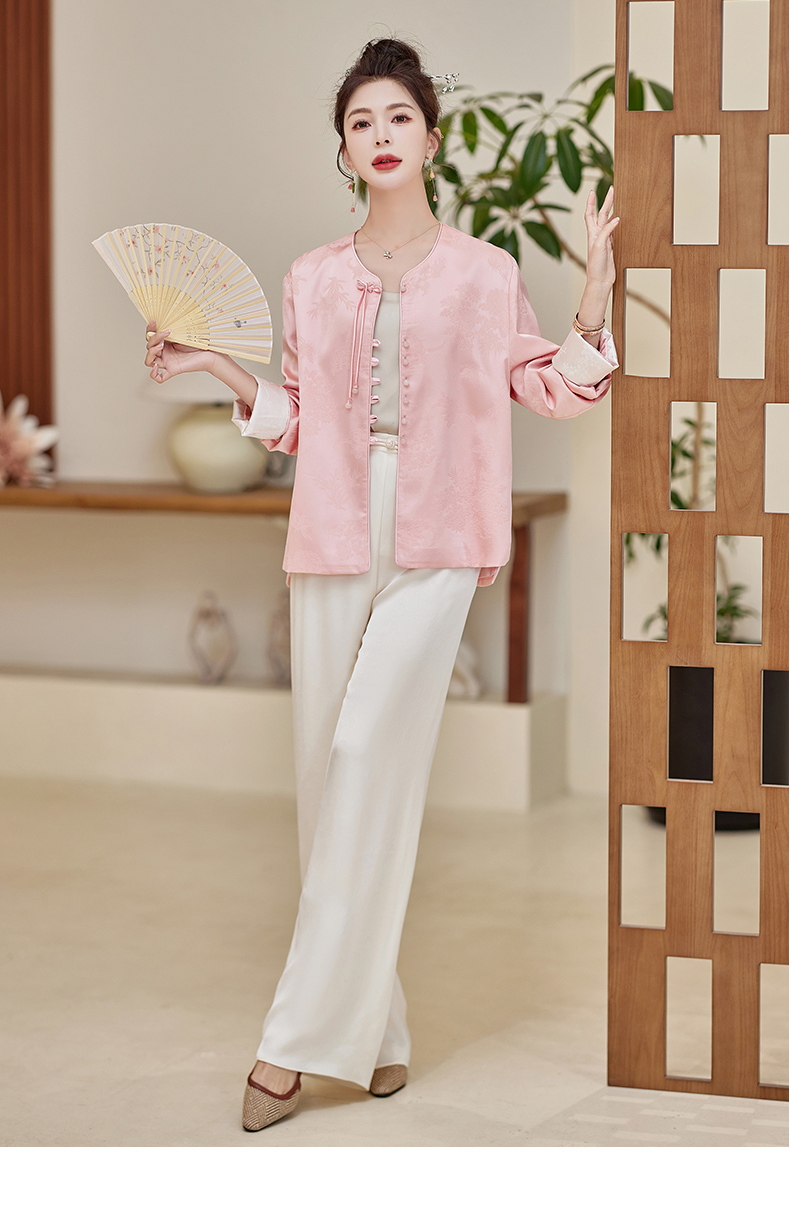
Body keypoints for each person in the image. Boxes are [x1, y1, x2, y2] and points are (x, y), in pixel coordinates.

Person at [144, 37, 620, 1132]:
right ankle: (381, 1035)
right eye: (361, 122)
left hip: (440, 530)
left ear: (431, 138)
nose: (381, 135)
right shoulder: (313, 275)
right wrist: (213, 367)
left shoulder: (484, 272)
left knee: (364, 757)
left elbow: (551, 388)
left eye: (398, 117)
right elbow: (299, 419)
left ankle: (289, 1047)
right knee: (326, 785)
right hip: (331, 526)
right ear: (345, 150)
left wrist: (592, 303)